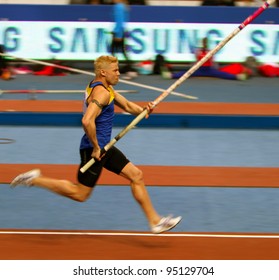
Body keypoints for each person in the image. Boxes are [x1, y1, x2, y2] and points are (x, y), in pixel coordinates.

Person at [11, 55, 182, 234]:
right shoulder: (101, 93)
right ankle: (34, 179)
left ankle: (155, 221)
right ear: (103, 72)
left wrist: (144, 110)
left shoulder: (106, 89)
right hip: (95, 150)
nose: (118, 74)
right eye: (115, 70)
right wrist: (95, 147)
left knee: (136, 175)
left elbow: (128, 106)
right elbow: (86, 121)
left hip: (104, 147)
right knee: (79, 194)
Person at [161, 37, 248, 81]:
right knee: (186, 74)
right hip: (199, 69)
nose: (204, 44)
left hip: (209, 69)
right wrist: (192, 68)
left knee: (222, 74)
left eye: (205, 43)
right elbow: (195, 61)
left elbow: (213, 61)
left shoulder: (210, 51)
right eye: (203, 43)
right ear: (201, 44)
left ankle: (238, 77)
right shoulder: (198, 51)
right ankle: (171, 75)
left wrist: (215, 68)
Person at [110, 0, 137, 78]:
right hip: (119, 31)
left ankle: (129, 68)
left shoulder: (119, 7)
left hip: (118, 32)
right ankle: (129, 68)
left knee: (115, 50)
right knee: (120, 50)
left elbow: (120, 21)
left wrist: (118, 34)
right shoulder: (123, 6)